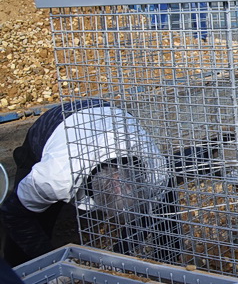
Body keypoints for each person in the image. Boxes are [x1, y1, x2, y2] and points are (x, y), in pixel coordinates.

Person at [0, 100, 168, 266]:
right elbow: (13, 214)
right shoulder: (55, 177)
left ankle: (168, 262)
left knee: (160, 208)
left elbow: (148, 212)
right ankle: (20, 280)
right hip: (56, 123)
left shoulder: (154, 170)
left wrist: (118, 256)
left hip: (109, 113)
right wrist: (52, 260)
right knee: (35, 220)